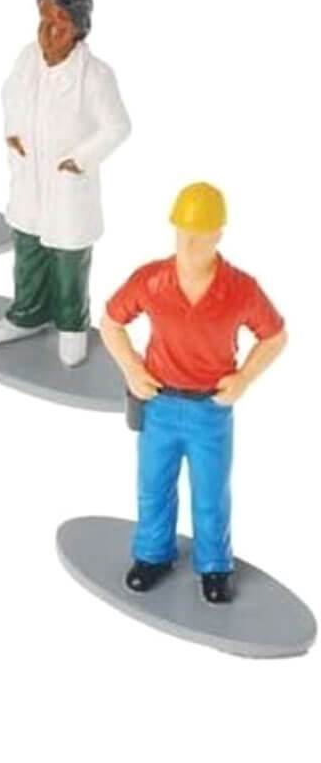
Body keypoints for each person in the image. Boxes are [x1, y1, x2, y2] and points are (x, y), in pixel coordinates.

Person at [101, 183, 288, 604]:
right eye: (182, 233)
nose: (188, 244)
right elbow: (111, 322)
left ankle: (215, 565)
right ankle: (152, 555)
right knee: (153, 485)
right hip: (159, 404)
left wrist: (244, 378)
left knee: (211, 493)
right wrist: (132, 368)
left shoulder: (240, 288)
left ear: (218, 234)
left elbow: (274, 336)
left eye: (199, 235)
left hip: (210, 409)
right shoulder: (151, 280)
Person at [0, 0, 130, 367]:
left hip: (66, 183)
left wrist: (79, 160)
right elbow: (10, 95)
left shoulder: (94, 75)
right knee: (28, 247)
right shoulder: (28, 59)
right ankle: (26, 313)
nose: (48, 31)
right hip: (30, 175)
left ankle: (71, 325)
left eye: (60, 22)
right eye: (43, 20)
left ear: (79, 26)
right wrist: (13, 132)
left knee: (67, 258)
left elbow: (117, 126)